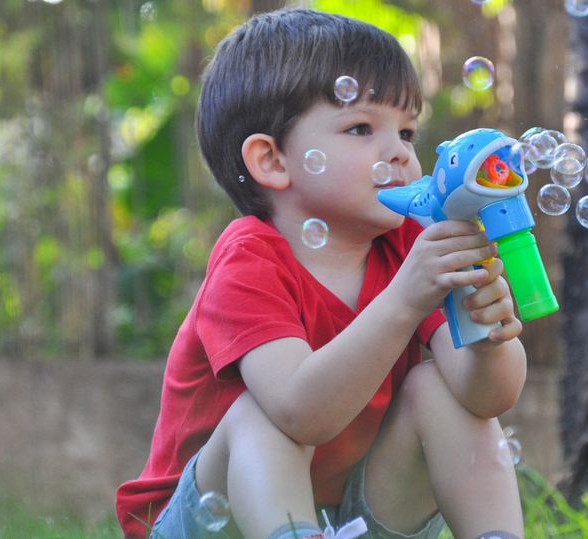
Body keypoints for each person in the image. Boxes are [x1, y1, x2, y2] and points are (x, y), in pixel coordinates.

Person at [116, 8, 528, 539]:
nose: (400, 153)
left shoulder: (408, 245)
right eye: (361, 127)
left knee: (438, 386)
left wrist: (487, 336)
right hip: (207, 523)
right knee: (256, 413)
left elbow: (487, 399)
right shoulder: (249, 261)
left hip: (346, 516)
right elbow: (300, 412)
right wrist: (404, 302)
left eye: (407, 131)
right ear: (273, 161)